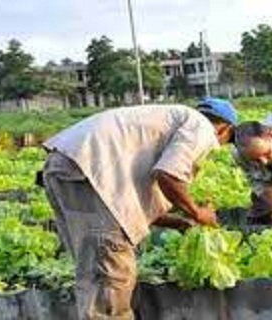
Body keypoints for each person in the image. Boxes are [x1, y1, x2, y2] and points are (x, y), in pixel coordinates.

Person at [41, 98, 238, 319]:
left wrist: (179, 222)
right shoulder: (201, 126)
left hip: (68, 166)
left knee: (94, 271)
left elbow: (128, 204)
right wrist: (198, 213)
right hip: (89, 173)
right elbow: (169, 175)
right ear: (224, 129)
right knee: (110, 277)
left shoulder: (166, 121)